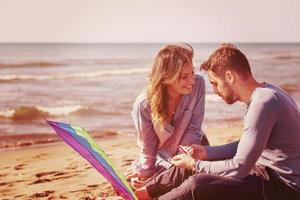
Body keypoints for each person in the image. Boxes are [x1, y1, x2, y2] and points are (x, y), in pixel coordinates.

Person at [135, 43, 300, 200]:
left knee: (197, 184)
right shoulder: (266, 93)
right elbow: (248, 145)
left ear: (229, 76)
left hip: (284, 187)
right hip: (268, 174)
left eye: (215, 83)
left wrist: (195, 164)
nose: (214, 91)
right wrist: (206, 153)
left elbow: (239, 167)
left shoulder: (263, 102)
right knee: (199, 162)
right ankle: (148, 192)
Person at [125, 43, 209, 190]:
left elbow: (194, 130)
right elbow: (148, 146)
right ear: (166, 77)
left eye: (192, 73)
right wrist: (146, 172)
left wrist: (169, 171)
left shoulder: (199, 85)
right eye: (184, 76)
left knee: (194, 183)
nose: (192, 80)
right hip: (161, 157)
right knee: (139, 183)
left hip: (192, 148)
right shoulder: (144, 104)